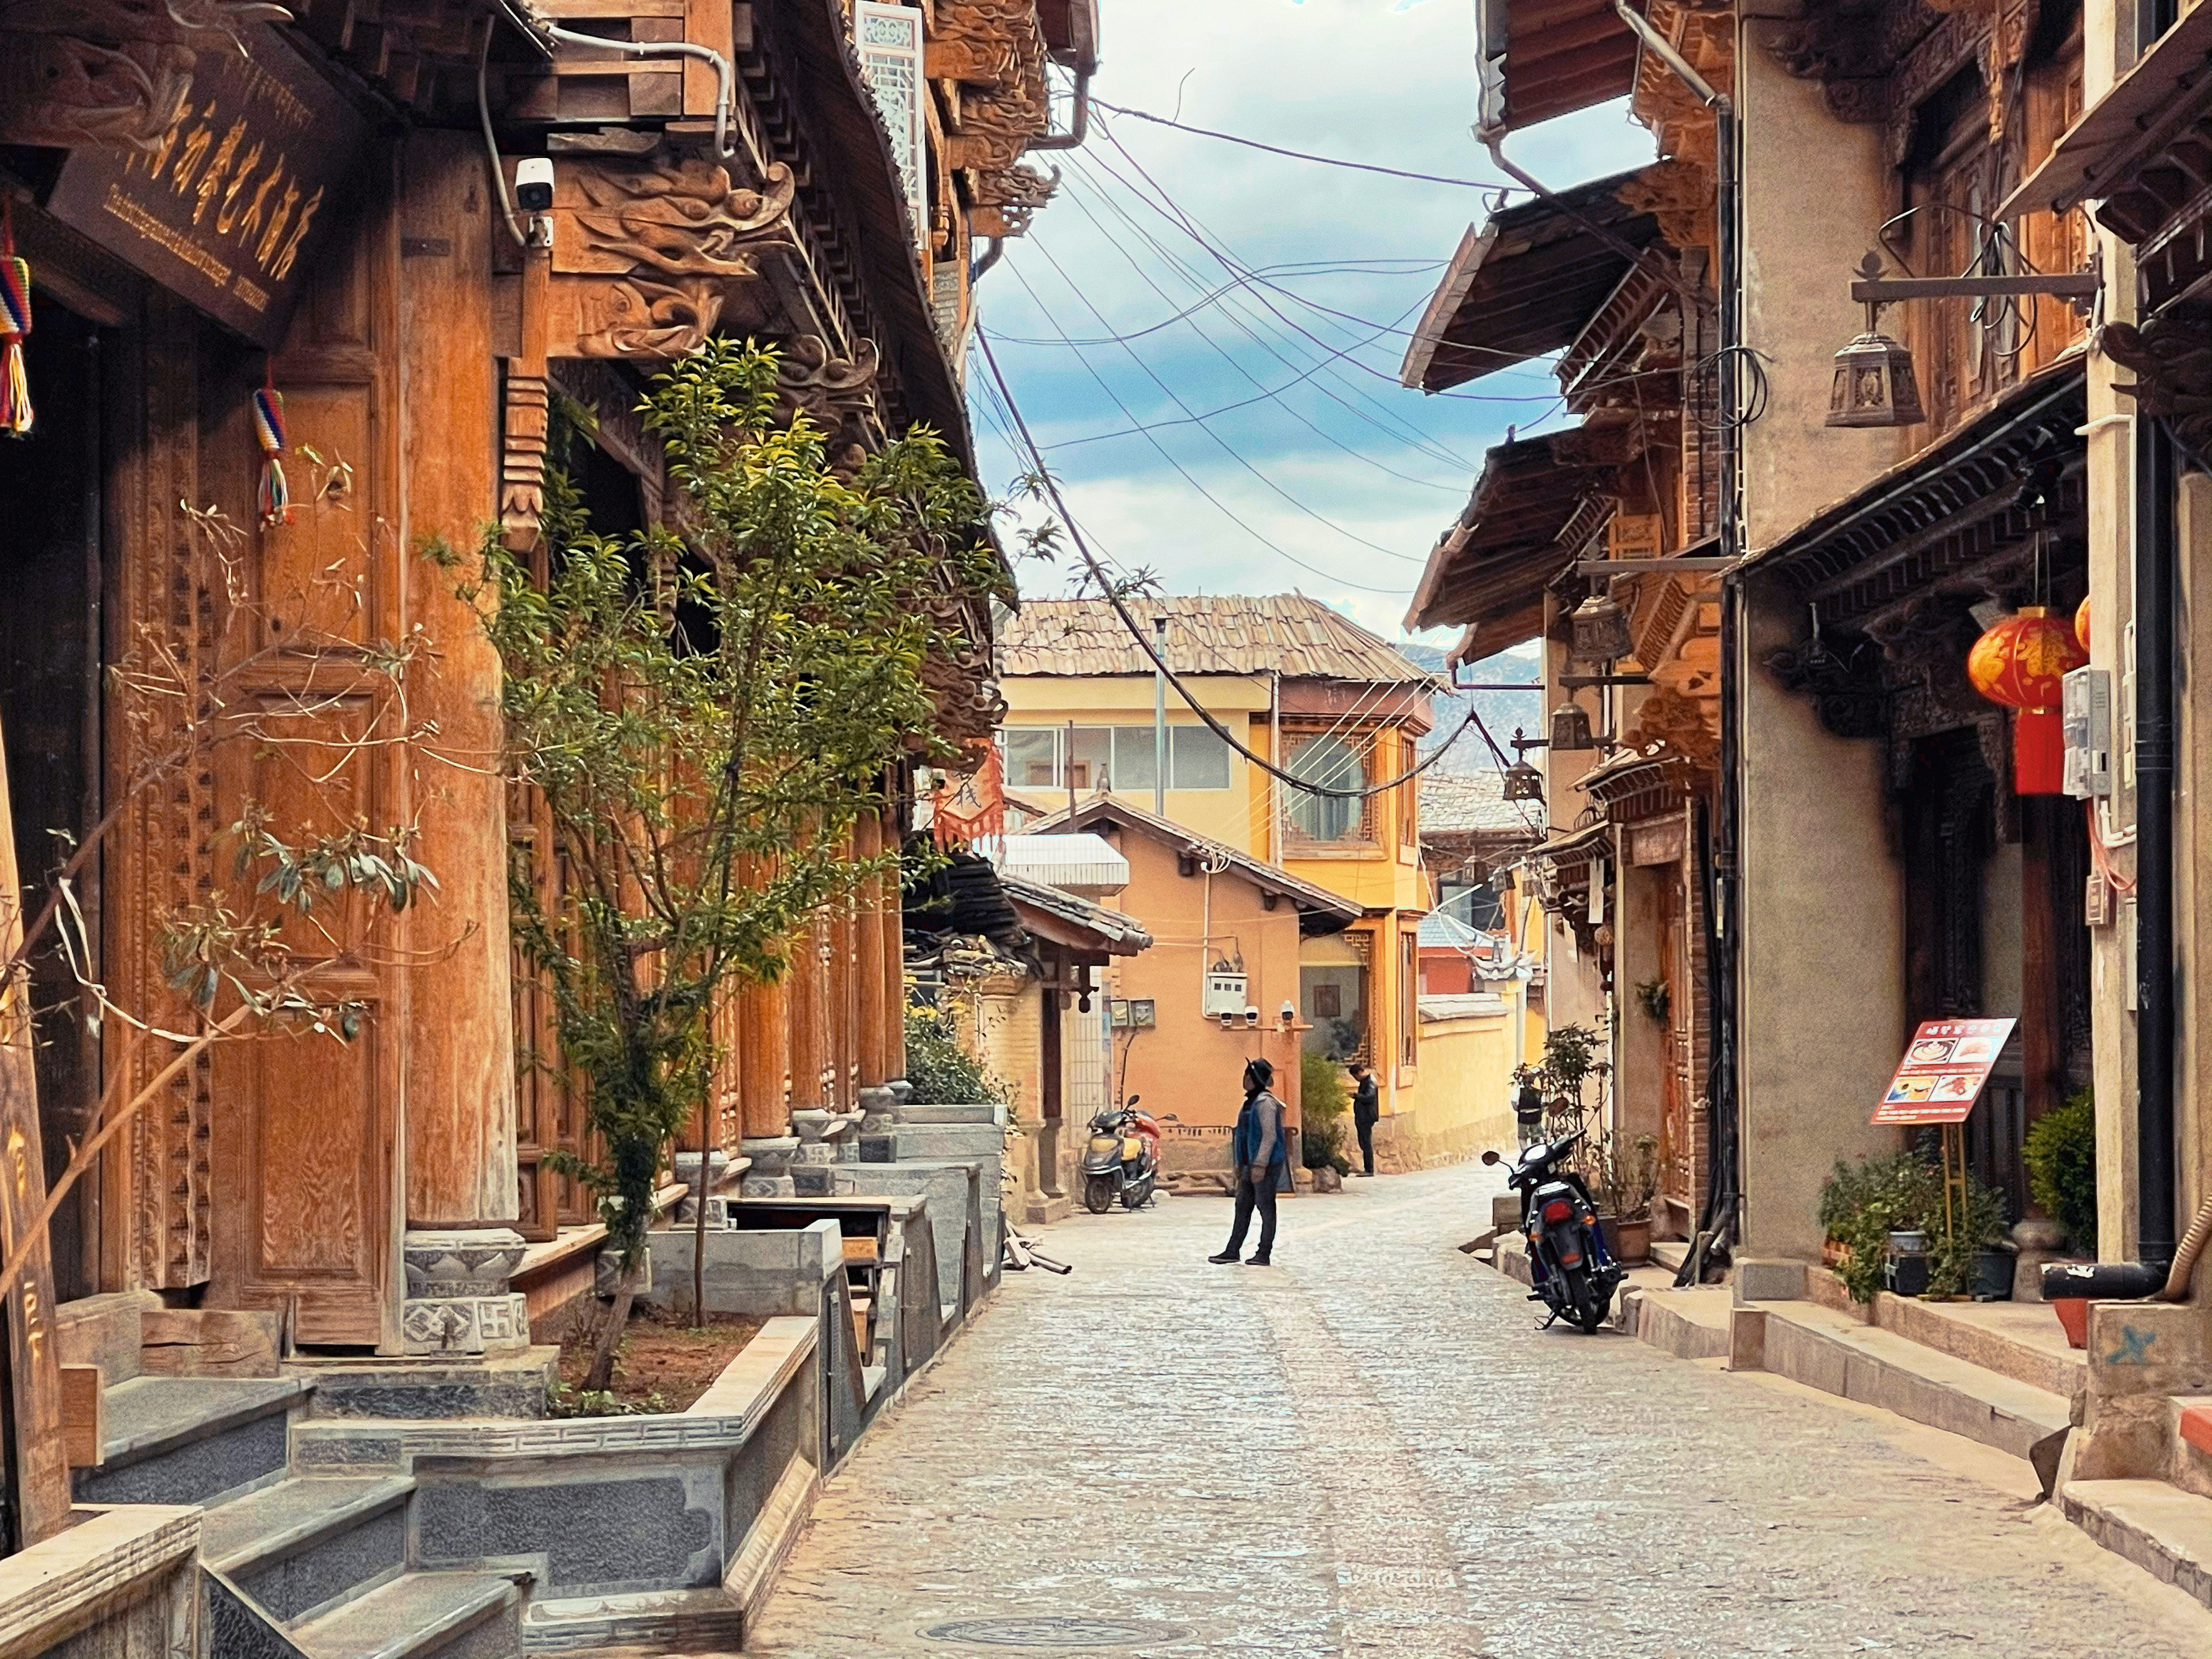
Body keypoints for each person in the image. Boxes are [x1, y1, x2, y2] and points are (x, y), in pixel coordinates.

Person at [1209, 1057, 1289, 1267]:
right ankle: (1232, 1250)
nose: (1243, 1079)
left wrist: (1260, 1165)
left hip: (1264, 1165)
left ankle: (1264, 1253)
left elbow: (1270, 1136)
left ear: (1252, 1079)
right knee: (1242, 1206)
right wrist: (1239, 1164)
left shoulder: (1265, 1104)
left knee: (1266, 1207)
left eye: (1246, 1075)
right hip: (1247, 1164)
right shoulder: (1249, 1103)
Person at [1348, 1060, 1380, 1177]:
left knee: (1366, 1142)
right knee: (1363, 1142)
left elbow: (1370, 1097)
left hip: (1367, 1117)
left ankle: (1369, 1169)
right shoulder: (1365, 1081)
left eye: (1356, 1076)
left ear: (1361, 1072)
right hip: (1362, 1116)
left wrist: (1357, 1096)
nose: (1356, 1079)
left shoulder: (1370, 1081)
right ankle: (1367, 1168)